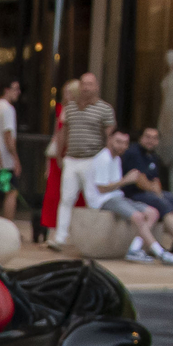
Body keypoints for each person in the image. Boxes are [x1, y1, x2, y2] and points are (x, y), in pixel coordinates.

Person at [92, 128, 173, 263]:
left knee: (153, 213)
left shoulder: (117, 159)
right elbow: (102, 188)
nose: (122, 146)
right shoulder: (103, 158)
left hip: (118, 197)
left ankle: (134, 249)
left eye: (125, 143)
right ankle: (160, 253)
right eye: (118, 142)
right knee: (138, 217)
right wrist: (126, 180)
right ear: (109, 140)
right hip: (104, 200)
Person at [51, 71, 115, 243]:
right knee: (66, 198)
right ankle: (60, 237)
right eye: (83, 84)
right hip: (71, 158)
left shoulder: (105, 109)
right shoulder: (69, 108)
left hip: (92, 159)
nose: (86, 88)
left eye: (90, 84)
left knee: (93, 200)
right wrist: (59, 154)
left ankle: (93, 239)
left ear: (96, 87)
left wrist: (108, 162)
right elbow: (63, 132)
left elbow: (110, 136)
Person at [125, 123, 173, 243]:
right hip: (133, 194)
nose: (151, 141)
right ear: (140, 138)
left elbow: (156, 181)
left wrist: (157, 190)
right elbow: (140, 182)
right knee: (164, 204)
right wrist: (155, 191)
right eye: (147, 137)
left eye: (154, 138)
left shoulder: (153, 157)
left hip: (149, 193)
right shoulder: (134, 152)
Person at [0, 78, 23, 219]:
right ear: (6, 90)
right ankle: (8, 225)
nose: (18, 92)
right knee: (10, 192)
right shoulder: (8, 109)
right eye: (15, 89)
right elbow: (8, 136)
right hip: (4, 160)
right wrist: (15, 159)